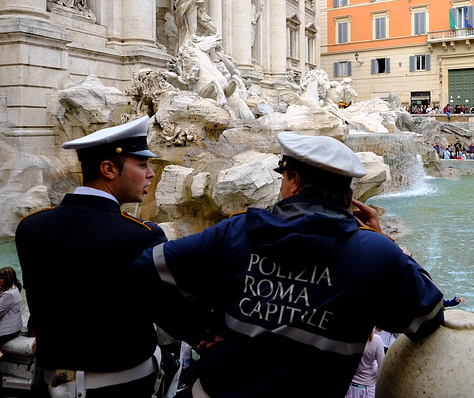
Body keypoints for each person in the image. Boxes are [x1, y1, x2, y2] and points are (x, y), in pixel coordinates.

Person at [132, 132, 445, 397]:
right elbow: (428, 316)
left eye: (283, 176)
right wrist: (389, 245)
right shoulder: (376, 252)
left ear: (294, 182)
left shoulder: (236, 231)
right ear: (348, 194)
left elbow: (147, 270)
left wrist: (203, 330)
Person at [15, 116, 168, 397]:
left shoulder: (30, 227)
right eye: (143, 164)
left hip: (46, 386)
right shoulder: (141, 236)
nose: (151, 174)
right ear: (109, 169)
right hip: (122, 389)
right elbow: (169, 311)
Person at [345, 330, 385, 398]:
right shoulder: (376, 340)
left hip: (349, 388)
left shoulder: (346, 339)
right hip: (367, 389)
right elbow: (382, 367)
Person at [0, 267, 23, 346]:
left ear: (7, 279)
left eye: (0, 278)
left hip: (6, 331)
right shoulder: (14, 287)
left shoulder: (9, 294)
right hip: (15, 328)